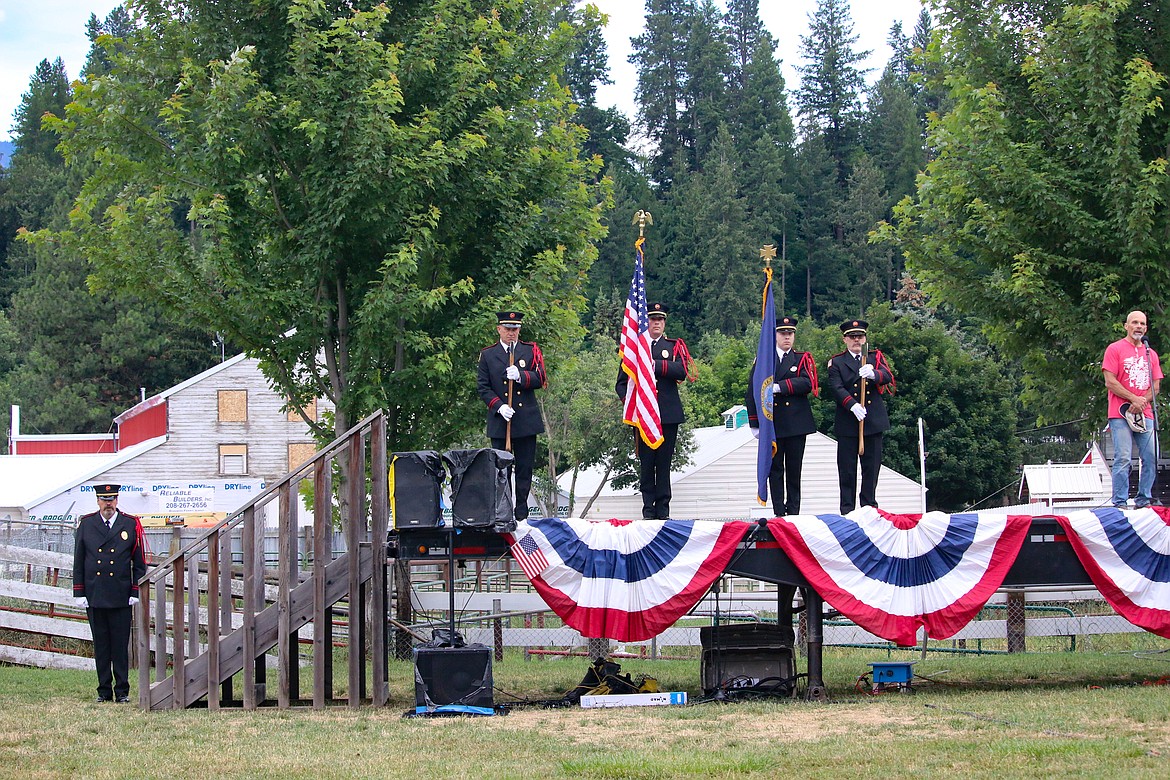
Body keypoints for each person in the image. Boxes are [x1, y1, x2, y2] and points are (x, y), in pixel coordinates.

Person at [616, 302, 694, 519]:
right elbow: (621, 384)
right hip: (643, 416)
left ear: (664, 322)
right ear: (645, 322)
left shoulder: (673, 346)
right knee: (647, 463)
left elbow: (682, 370)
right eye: (652, 319)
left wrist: (655, 365)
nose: (656, 323)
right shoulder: (635, 349)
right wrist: (632, 403)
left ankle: (663, 509)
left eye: (660, 319)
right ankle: (648, 509)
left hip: (667, 415)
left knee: (664, 463)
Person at [72, 484, 147, 703]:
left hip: (120, 595)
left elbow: (139, 562)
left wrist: (135, 589)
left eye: (111, 499)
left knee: (120, 646)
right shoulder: (87, 524)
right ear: (98, 501)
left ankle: (122, 691)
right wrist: (80, 592)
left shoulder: (130, 524)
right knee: (101, 644)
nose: (108, 504)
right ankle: (103, 690)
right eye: (104, 500)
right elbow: (79, 561)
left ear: (117, 500)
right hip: (95, 594)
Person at [745, 315, 819, 516]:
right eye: (783, 333)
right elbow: (752, 389)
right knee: (775, 470)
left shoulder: (801, 358)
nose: (787, 337)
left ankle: (793, 511)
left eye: (790, 333)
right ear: (775, 335)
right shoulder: (764, 359)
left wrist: (780, 387)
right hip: (773, 423)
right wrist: (754, 422)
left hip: (796, 423)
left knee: (794, 470)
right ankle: (779, 511)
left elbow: (807, 383)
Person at [477, 311, 547, 521]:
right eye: (507, 329)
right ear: (499, 329)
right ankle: (503, 512)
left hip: (525, 420)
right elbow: (483, 387)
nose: (511, 333)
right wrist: (498, 406)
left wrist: (521, 376)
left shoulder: (530, 350)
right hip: (501, 421)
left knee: (525, 469)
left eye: (515, 329)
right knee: (501, 470)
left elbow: (541, 378)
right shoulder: (488, 355)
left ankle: (522, 511)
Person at [828, 319, 896, 514]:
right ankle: (847, 510)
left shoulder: (874, 357)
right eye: (852, 337)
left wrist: (874, 374)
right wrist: (852, 405)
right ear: (845, 340)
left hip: (872, 421)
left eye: (860, 336)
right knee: (847, 471)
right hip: (849, 422)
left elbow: (887, 376)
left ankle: (869, 507)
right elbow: (836, 387)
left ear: (865, 338)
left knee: (871, 469)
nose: (856, 340)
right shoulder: (837, 362)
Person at [1102, 310, 1163, 508]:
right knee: (1124, 457)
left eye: (1142, 324)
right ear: (1126, 326)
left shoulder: (1150, 353)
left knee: (1151, 457)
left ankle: (1143, 499)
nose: (1138, 326)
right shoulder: (1115, 349)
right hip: (1120, 413)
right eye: (1135, 323)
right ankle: (1119, 501)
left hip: (1144, 413)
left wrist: (1141, 402)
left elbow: (1155, 386)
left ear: (1146, 328)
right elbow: (1110, 382)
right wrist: (1133, 399)